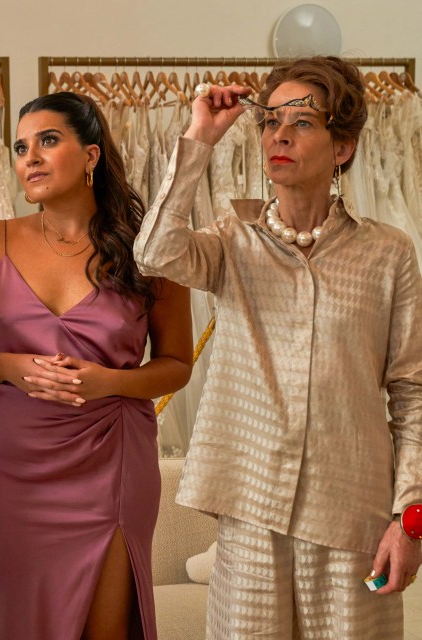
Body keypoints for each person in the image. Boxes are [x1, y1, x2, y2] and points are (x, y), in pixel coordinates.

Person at [134, 56, 422, 639]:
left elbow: (413, 394)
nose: (280, 134)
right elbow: (153, 253)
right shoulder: (232, 240)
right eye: (269, 121)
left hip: (352, 519)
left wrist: (410, 521)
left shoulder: (389, 254)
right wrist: (199, 138)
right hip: (252, 509)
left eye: (304, 122)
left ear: (343, 147)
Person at [0, 91, 193, 639]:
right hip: (7, 464)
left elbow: (177, 364)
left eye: (48, 141)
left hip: (109, 456)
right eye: (21, 147)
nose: (30, 157)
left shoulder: (149, 248)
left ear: (91, 155)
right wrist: (9, 366)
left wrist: (111, 383)